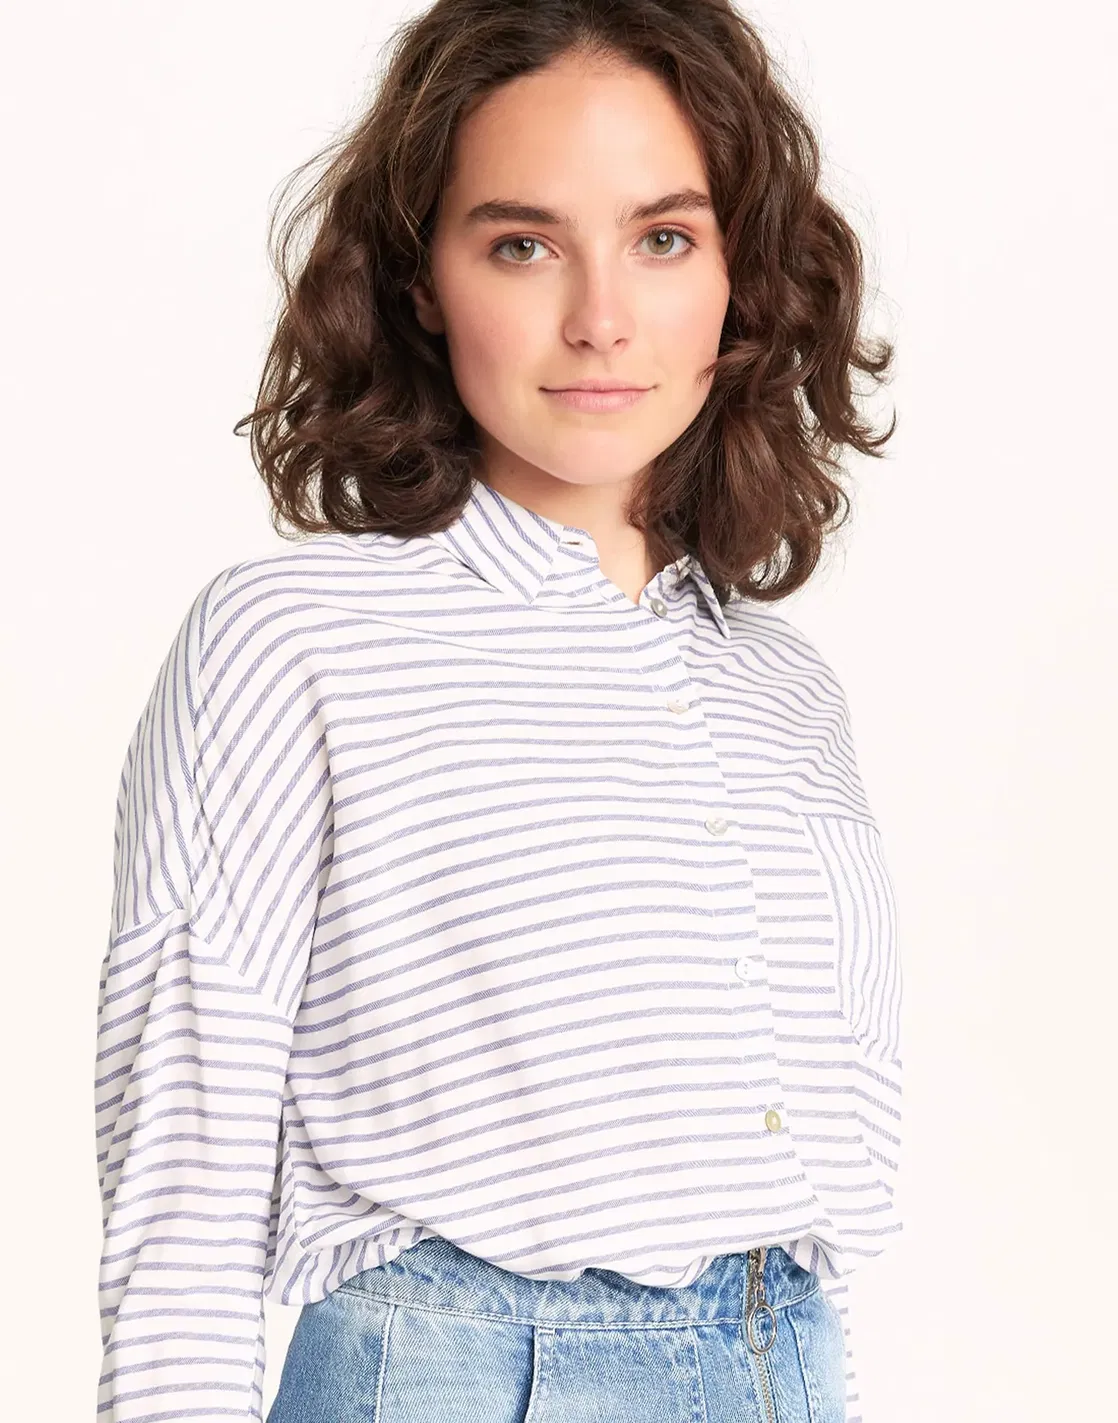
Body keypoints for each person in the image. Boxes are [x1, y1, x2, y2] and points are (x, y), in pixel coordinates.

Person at [93, 2, 903, 1420]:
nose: (600, 317)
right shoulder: (294, 641)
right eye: (522, 244)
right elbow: (184, 1180)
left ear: (739, 273)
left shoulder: (783, 687)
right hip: (462, 1373)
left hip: (783, 1362)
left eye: (663, 238)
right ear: (422, 283)